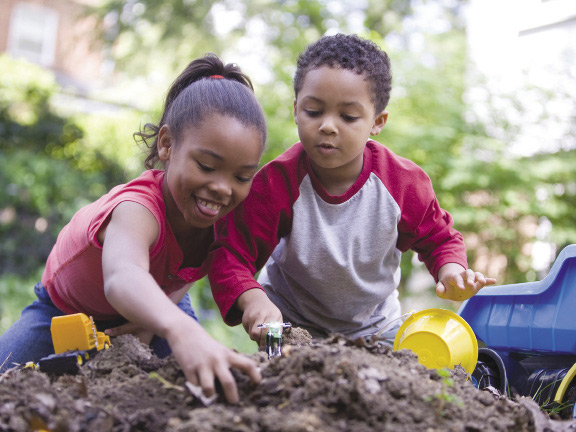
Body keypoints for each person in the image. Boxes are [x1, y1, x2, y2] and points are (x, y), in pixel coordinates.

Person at [0, 53, 267, 404]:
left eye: (241, 177)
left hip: (159, 303)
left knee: (191, 396)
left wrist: (154, 322)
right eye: (207, 166)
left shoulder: (222, 215)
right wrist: (180, 328)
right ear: (167, 144)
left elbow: (185, 270)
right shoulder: (137, 209)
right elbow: (123, 277)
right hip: (64, 311)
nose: (223, 188)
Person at [207, 34, 496, 346]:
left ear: (377, 121)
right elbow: (231, 253)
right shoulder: (277, 182)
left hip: (376, 330)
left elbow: (439, 239)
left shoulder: (403, 184)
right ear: (295, 110)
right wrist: (254, 301)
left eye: (348, 116)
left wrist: (452, 273)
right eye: (314, 111)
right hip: (291, 327)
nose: (328, 126)